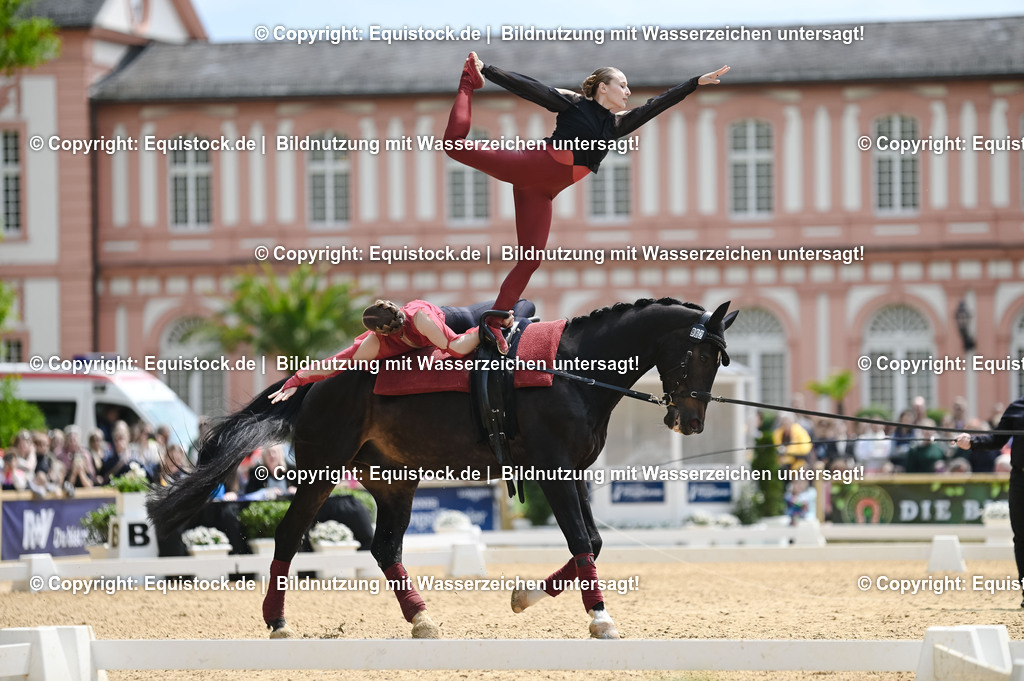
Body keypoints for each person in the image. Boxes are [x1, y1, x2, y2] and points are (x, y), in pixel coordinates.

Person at [444, 53, 730, 351]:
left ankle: (493, 323)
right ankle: (468, 80)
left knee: (530, 260)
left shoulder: (616, 125)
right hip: (531, 166)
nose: (628, 91)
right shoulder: (575, 104)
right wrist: (487, 70)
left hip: (541, 193)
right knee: (454, 145)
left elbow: (655, 105)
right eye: (622, 84)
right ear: (603, 87)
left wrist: (694, 83)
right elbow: (532, 88)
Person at [270, 299, 487, 403]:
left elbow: (456, 348)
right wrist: (486, 329)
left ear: (377, 332)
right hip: (449, 329)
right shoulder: (376, 342)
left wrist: (297, 380)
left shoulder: (417, 319)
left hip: (458, 319)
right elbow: (337, 362)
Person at [955, 398, 1024, 606]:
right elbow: (996, 439)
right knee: (1021, 537)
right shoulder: (1017, 408)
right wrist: (972, 441)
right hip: (1020, 478)